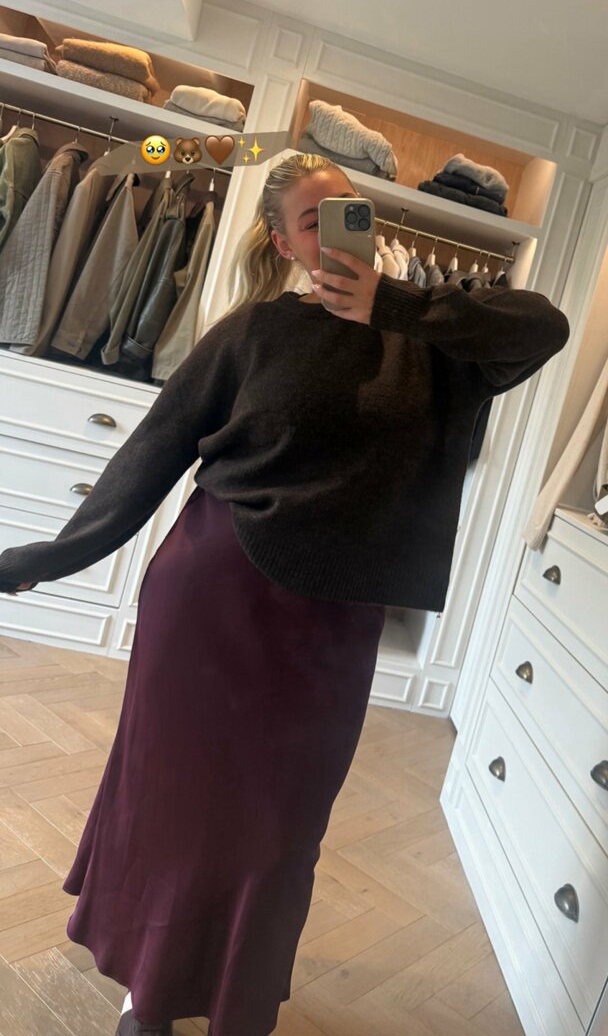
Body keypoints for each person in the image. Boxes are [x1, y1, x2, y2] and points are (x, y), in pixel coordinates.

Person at [0, 152, 570, 1036]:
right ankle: (148, 994)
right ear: (282, 243)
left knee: (281, 827)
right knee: (174, 802)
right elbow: (153, 452)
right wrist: (57, 553)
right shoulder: (252, 332)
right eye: (315, 219)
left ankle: (236, 1000)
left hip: (334, 625)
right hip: (211, 596)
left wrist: (397, 305)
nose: (340, 231)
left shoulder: (437, 343)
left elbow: (544, 327)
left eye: (352, 212)